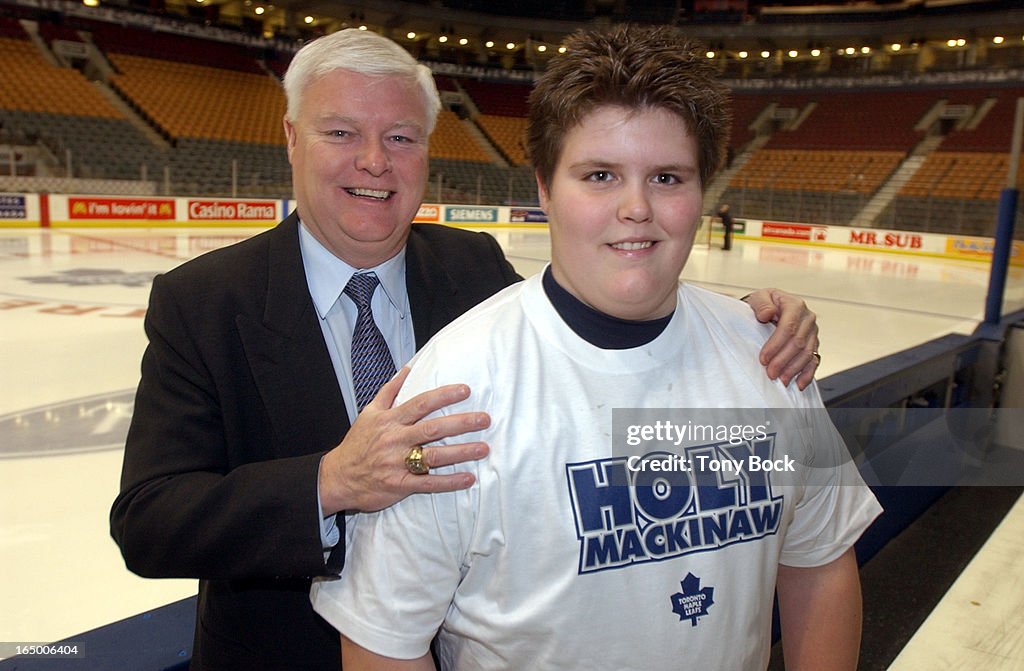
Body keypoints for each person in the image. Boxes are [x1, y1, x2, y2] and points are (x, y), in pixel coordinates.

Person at [110, 28, 821, 670]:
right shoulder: (204, 300)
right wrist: (329, 481)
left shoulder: (474, 268)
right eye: (340, 133)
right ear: (292, 138)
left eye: (400, 137)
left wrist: (744, 317)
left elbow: (592, 328)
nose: (373, 161)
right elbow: (149, 518)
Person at [310, 25, 880, 670]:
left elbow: (821, 561)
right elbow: (384, 643)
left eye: (667, 177)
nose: (636, 207)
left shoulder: (772, 359)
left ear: (702, 193)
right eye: (601, 174)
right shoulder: (454, 392)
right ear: (546, 189)